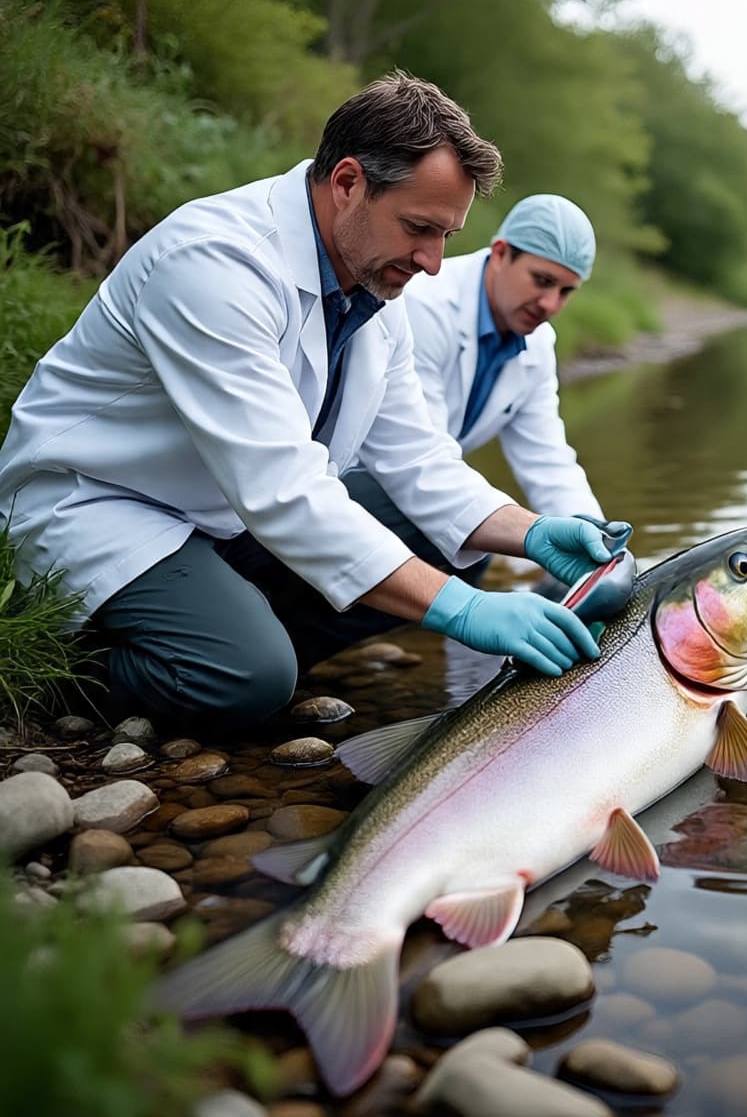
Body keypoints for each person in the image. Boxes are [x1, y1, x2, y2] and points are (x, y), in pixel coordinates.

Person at [0, 71, 630, 730]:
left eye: (446, 235)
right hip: (103, 505)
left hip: (218, 514)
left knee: (438, 541)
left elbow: (419, 459)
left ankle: (240, 639)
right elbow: (283, 487)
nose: (434, 261)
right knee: (250, 675)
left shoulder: (373, 288)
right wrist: (460, 609)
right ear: (348, 182)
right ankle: (67, 675)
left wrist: (532, 533)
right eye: (419, 227)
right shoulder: (216, 263)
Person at [399, 194, 604, 521]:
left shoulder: (538, 343)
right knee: (481, 535)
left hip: (428, 481)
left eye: (565, 291)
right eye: (542, 281)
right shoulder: (425, 307)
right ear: (499, 254)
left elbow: (547, 461)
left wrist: (597, 535)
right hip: (361, 481)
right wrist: (522, 530)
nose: (550, 304)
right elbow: (421, 458)